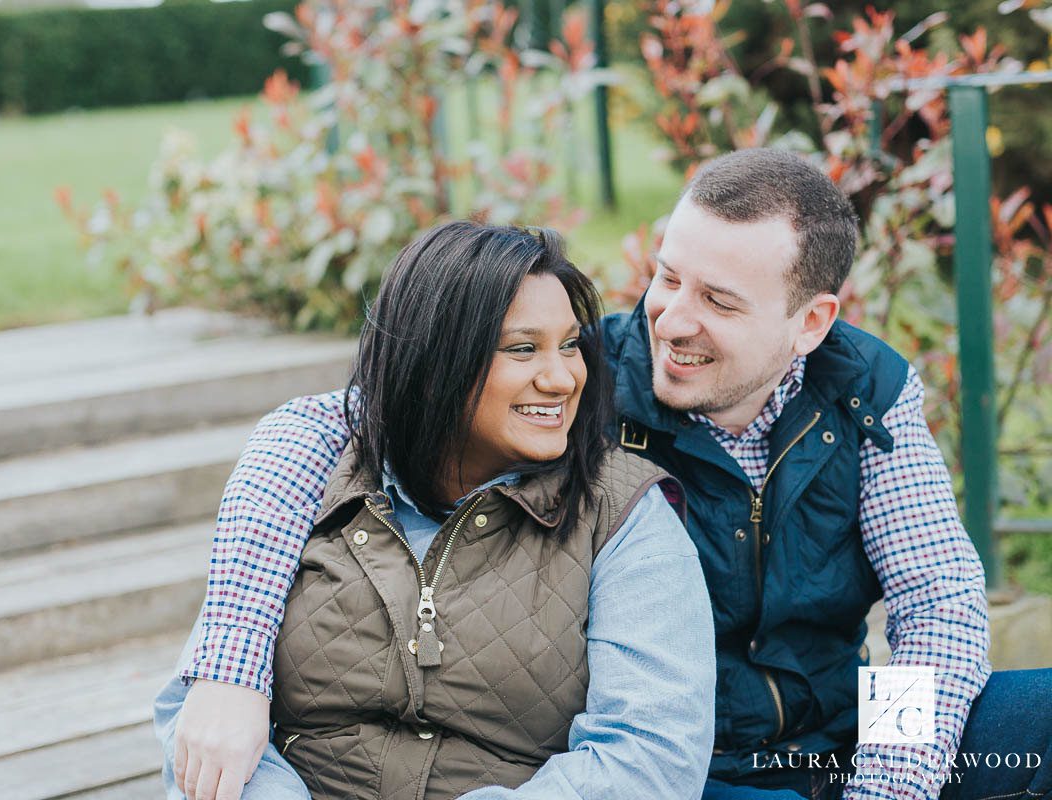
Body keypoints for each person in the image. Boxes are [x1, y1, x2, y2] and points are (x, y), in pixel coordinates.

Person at [164, 149, 1052, 800]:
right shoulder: (589, 375)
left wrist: (890, 782)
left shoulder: (864, 395)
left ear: (810, 322)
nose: (671, 319)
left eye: (720, 301)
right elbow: (327, 425)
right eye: (668, 277)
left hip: (837, 741)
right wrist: (232, 665)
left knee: (1036, 718)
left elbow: (936, 603)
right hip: (686, 763)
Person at [154, 221, 716, 799]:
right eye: (523, 349)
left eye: (570, 344)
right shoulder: (306, 480)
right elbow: (201, 720)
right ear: (434, 362)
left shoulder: (624, 515)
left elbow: (651, 757)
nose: (562, 377)